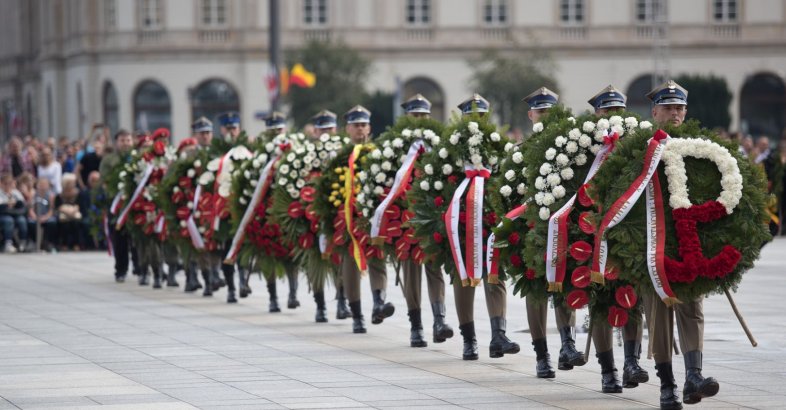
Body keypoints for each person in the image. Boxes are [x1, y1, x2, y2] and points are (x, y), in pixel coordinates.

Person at [645, 79, 718, 410]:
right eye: (668, 108)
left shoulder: (699, 148)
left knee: (693, 309)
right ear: (655, 111)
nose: (675, 113)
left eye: (680, 108)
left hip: (690, 246)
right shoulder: (641, 150)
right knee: (659, 317)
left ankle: (694, 376)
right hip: (651, 247)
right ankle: (667, 385)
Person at [586, 85, 649, 393]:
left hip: (628, 234)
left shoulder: (637, 145)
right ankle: (608, 370)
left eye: (617, 112)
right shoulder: (583, 146)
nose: (612, 117)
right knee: (599, 304)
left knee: (631, 298)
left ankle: (631, 362)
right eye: (606, 112)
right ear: (596, 114)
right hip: (592, 234)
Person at [520, 86, 586, 375]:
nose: (545, 116)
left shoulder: (570, 149)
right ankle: (541, 354)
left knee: (564, 284)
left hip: (563, 227)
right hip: (532, 229)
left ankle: (567, 344)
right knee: (535, 291)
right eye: (540, 111)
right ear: (530, 115)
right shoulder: (522, 151)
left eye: (550, 110)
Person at [451, 94, 520, 361]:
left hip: (491, 221)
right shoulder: (453, 147)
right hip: (461, 225)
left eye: (482, 116)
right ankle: (469, 340)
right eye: (472, 116)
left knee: (495, 275)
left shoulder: (498, 146)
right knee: (464, 279)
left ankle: (498, 335)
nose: (477, 121)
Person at [398, 94, 454, 348]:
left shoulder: (438, 144)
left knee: (434, 269)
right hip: (405, 219)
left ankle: (439, 321)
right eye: (415, 115)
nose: (420, 120)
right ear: (407, 117)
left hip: (431, 217)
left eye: (424, 116)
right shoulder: (397, 145)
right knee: (411, 275)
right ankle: (416, 326)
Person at [341, 105, 395, 334]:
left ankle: (378, 304)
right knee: (351, 267)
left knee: (378, 261)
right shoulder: (340, 157)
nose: (360, 129)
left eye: (363, 125)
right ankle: (356, 315)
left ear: (369, 128)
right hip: (346, 221)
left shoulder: (378, 154)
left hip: (372, 218)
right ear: (347, 129)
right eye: (356, 125)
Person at [310, 109, 351, 320]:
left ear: (336, 129)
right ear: (315, 131)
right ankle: (320, 306)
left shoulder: (344, 151)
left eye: (330, 129)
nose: (327, 133)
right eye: (322, 129)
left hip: (336, 213)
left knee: (340, 259)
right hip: (312, 214)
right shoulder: (306, 154)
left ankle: (342, 301)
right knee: (315, 260)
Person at [259, 111, 300, 311]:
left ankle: (293, 293)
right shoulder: (261, 154)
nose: (276, 134)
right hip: (266, 212)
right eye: (272, 131)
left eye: (279, 129)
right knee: (269, 254)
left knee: (292, 252)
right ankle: (273, 297)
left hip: (287, 210)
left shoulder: (293, 151)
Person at [100, 129, 140, 282]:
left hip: (135, 203)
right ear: (116, 142)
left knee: (136, 237)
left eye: (128, 140)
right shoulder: (109, 159)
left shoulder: (137, 158)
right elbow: (105, 179)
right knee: (119, 238)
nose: (126, 143)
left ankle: (139, 266)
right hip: (116, 204)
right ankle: (121, 269)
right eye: (122, 140)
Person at [0, 172, 29, 252]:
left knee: (22, 220)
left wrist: (11, 206)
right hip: (3, 216)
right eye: (6, 183)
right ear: (1, 183)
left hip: (15, 215)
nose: (8, 186)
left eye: (10, 183)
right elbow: (2, 208)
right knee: (8, 220)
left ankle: (23, 243)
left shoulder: (16, 193)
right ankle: (8, 243)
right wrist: (12, 205)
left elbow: (22, 205)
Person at [55, 173, 82, 250]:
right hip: (63, 213)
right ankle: (64, 244)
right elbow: (58, 206)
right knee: (64, 223)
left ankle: (76, 244)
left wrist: (72, 212)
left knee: (76, 223)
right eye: (71, 183)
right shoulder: (60, 195)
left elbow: (78, 205)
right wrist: (67, 212)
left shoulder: (78, 193)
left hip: (74, 213)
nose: (73, 184)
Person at [31, 177, 57, 252]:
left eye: (45, 185)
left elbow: (51, 210)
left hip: (46, 216)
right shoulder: (33, 194)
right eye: (41, 184)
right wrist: (35, 217)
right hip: (35, 216)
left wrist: (45, 217)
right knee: (31, 223)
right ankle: (34, 242)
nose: (43, 186)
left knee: (52, 223)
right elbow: (31, 209)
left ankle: (47, 242)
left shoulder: (51, 196)